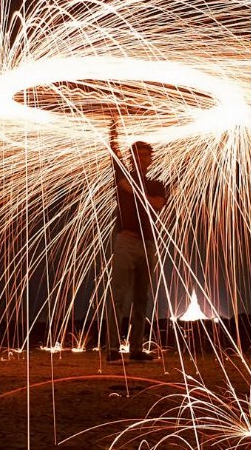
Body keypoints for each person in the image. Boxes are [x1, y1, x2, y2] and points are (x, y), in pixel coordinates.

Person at [106, 119, 168, 362]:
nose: (142, 159)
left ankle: (136, 349)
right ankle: (113, 349)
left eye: (145, 155)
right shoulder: (123, 176)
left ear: (151, 159)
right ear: (131, 158)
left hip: (148, 244)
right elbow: (113, 153)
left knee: (142, 298)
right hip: (126, 240)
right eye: (138, 155)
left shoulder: (157, 184)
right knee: (118, 296)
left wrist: (135, 190)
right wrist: (113, 129)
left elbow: (158, 204)